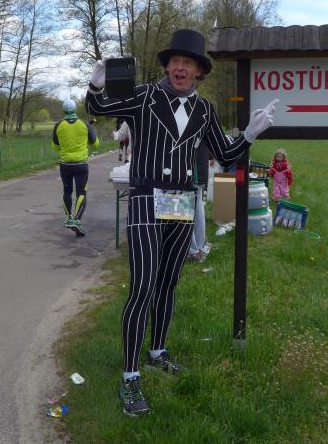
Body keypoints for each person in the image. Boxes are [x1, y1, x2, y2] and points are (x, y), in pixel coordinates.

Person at [86, 29, 277, 417]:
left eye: (188, 63)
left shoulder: (205, 110)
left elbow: (225, 153)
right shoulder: (143, 96)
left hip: (181, 200)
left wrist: (249, 135)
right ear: (168, 66)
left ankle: (157, 351)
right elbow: (100, 109)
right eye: (175, 61)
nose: (180, 68)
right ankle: (130, 376)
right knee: (142, 286)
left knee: (169, 282)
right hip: (145, 196)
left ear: (199, 71)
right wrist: (95, 86)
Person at [52, 99, 99, 236]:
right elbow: (95, 144)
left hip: (65, 165)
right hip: (81, 165)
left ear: (64, 111)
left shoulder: (58, 125)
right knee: (81, 193)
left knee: (67, 192)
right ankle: (76, 220)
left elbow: (55, 147)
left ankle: (68, 218)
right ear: (75, 109)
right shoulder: (85, 124)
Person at [187, 142, 211, 262]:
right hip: (198, 169)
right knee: (197, 207)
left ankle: (192, 250)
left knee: (187, 209)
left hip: (192, 170)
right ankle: (199, 246)